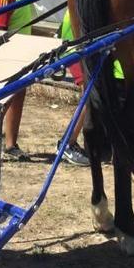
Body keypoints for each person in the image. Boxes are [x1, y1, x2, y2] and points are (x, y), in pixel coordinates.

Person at [0, 0, 39, 161]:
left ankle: (11, 144)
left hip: (23, 54)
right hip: (9, 55)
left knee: (18, 98)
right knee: (3, 101)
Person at [55, 11, 90, 166]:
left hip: (77, 49)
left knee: (89, 95)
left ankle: (69, 142)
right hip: (74, 50)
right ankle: (67, 143)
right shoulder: (79, 2)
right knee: (88, 95)